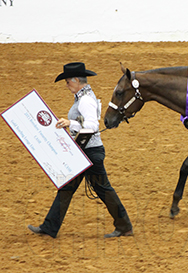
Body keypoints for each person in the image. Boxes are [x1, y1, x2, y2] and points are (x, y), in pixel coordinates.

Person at [28, 62, 133, 238]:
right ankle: (49, 228)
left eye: (68, 81)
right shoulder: (83, 97)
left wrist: (70, 123)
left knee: (103, 190)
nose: (66, 85)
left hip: (90, 153)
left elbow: (92, 125)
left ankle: (124, 226)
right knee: (69, 188)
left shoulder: (85, 100)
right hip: (85, 151)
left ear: (76, 80)